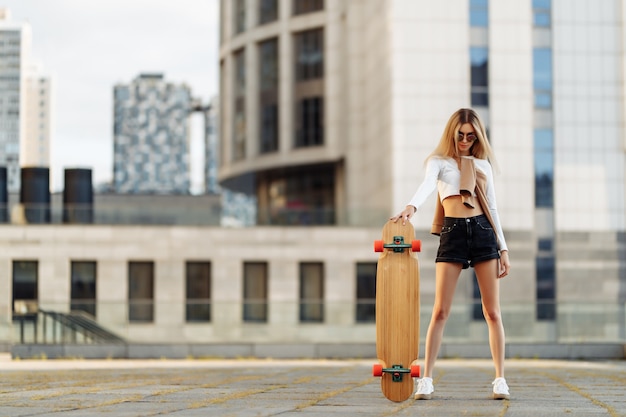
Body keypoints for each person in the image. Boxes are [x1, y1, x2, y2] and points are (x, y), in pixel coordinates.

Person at [391, 108, 511, 400]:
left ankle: (500, 380)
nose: (465, 141)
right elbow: (428, 185)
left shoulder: (482, 165)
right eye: (461, 135)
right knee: (440, 311)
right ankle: (427, 379)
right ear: (452, 133)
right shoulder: (439, 162)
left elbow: (492, 207)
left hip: (483, 233)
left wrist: (503, 248)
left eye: (471, 136)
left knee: (492, 312)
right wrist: (412, 206)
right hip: (453, 233)